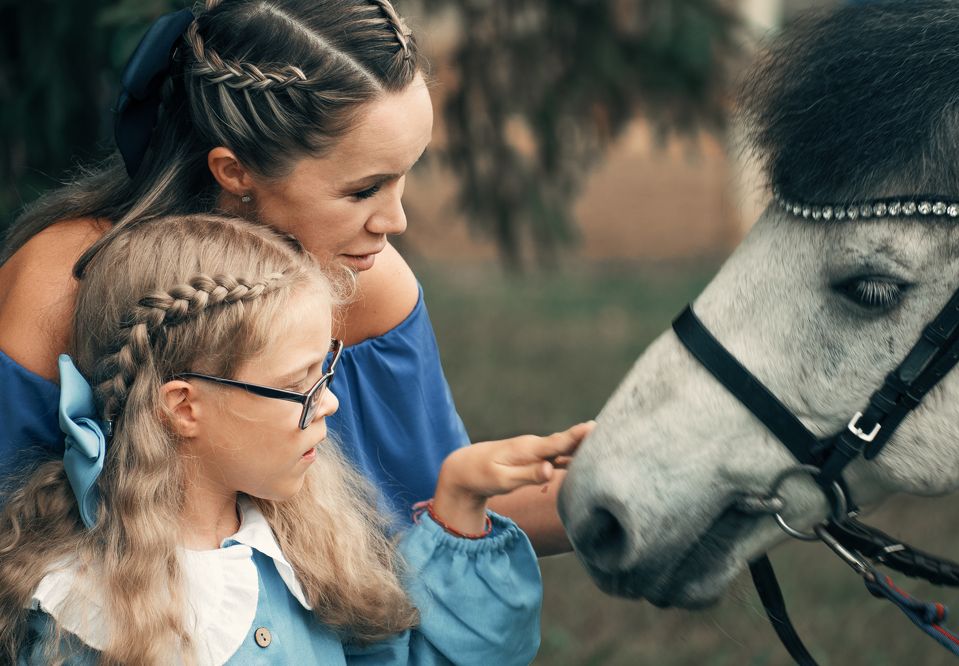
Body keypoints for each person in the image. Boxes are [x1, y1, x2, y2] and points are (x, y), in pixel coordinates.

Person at [0, 0, 570, 552]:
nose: (396, 221)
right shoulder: (60, 287)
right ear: (234, 171)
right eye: (363, 189)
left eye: (404, 177)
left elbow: (427, 514)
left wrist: (608, 488)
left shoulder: (366, 287)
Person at [0, 214, 590, 665]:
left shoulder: (307, 549)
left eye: (325, 373)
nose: (329, 401)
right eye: (298, 386)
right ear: (184, 406)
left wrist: (460, 500)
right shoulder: (84, 613)